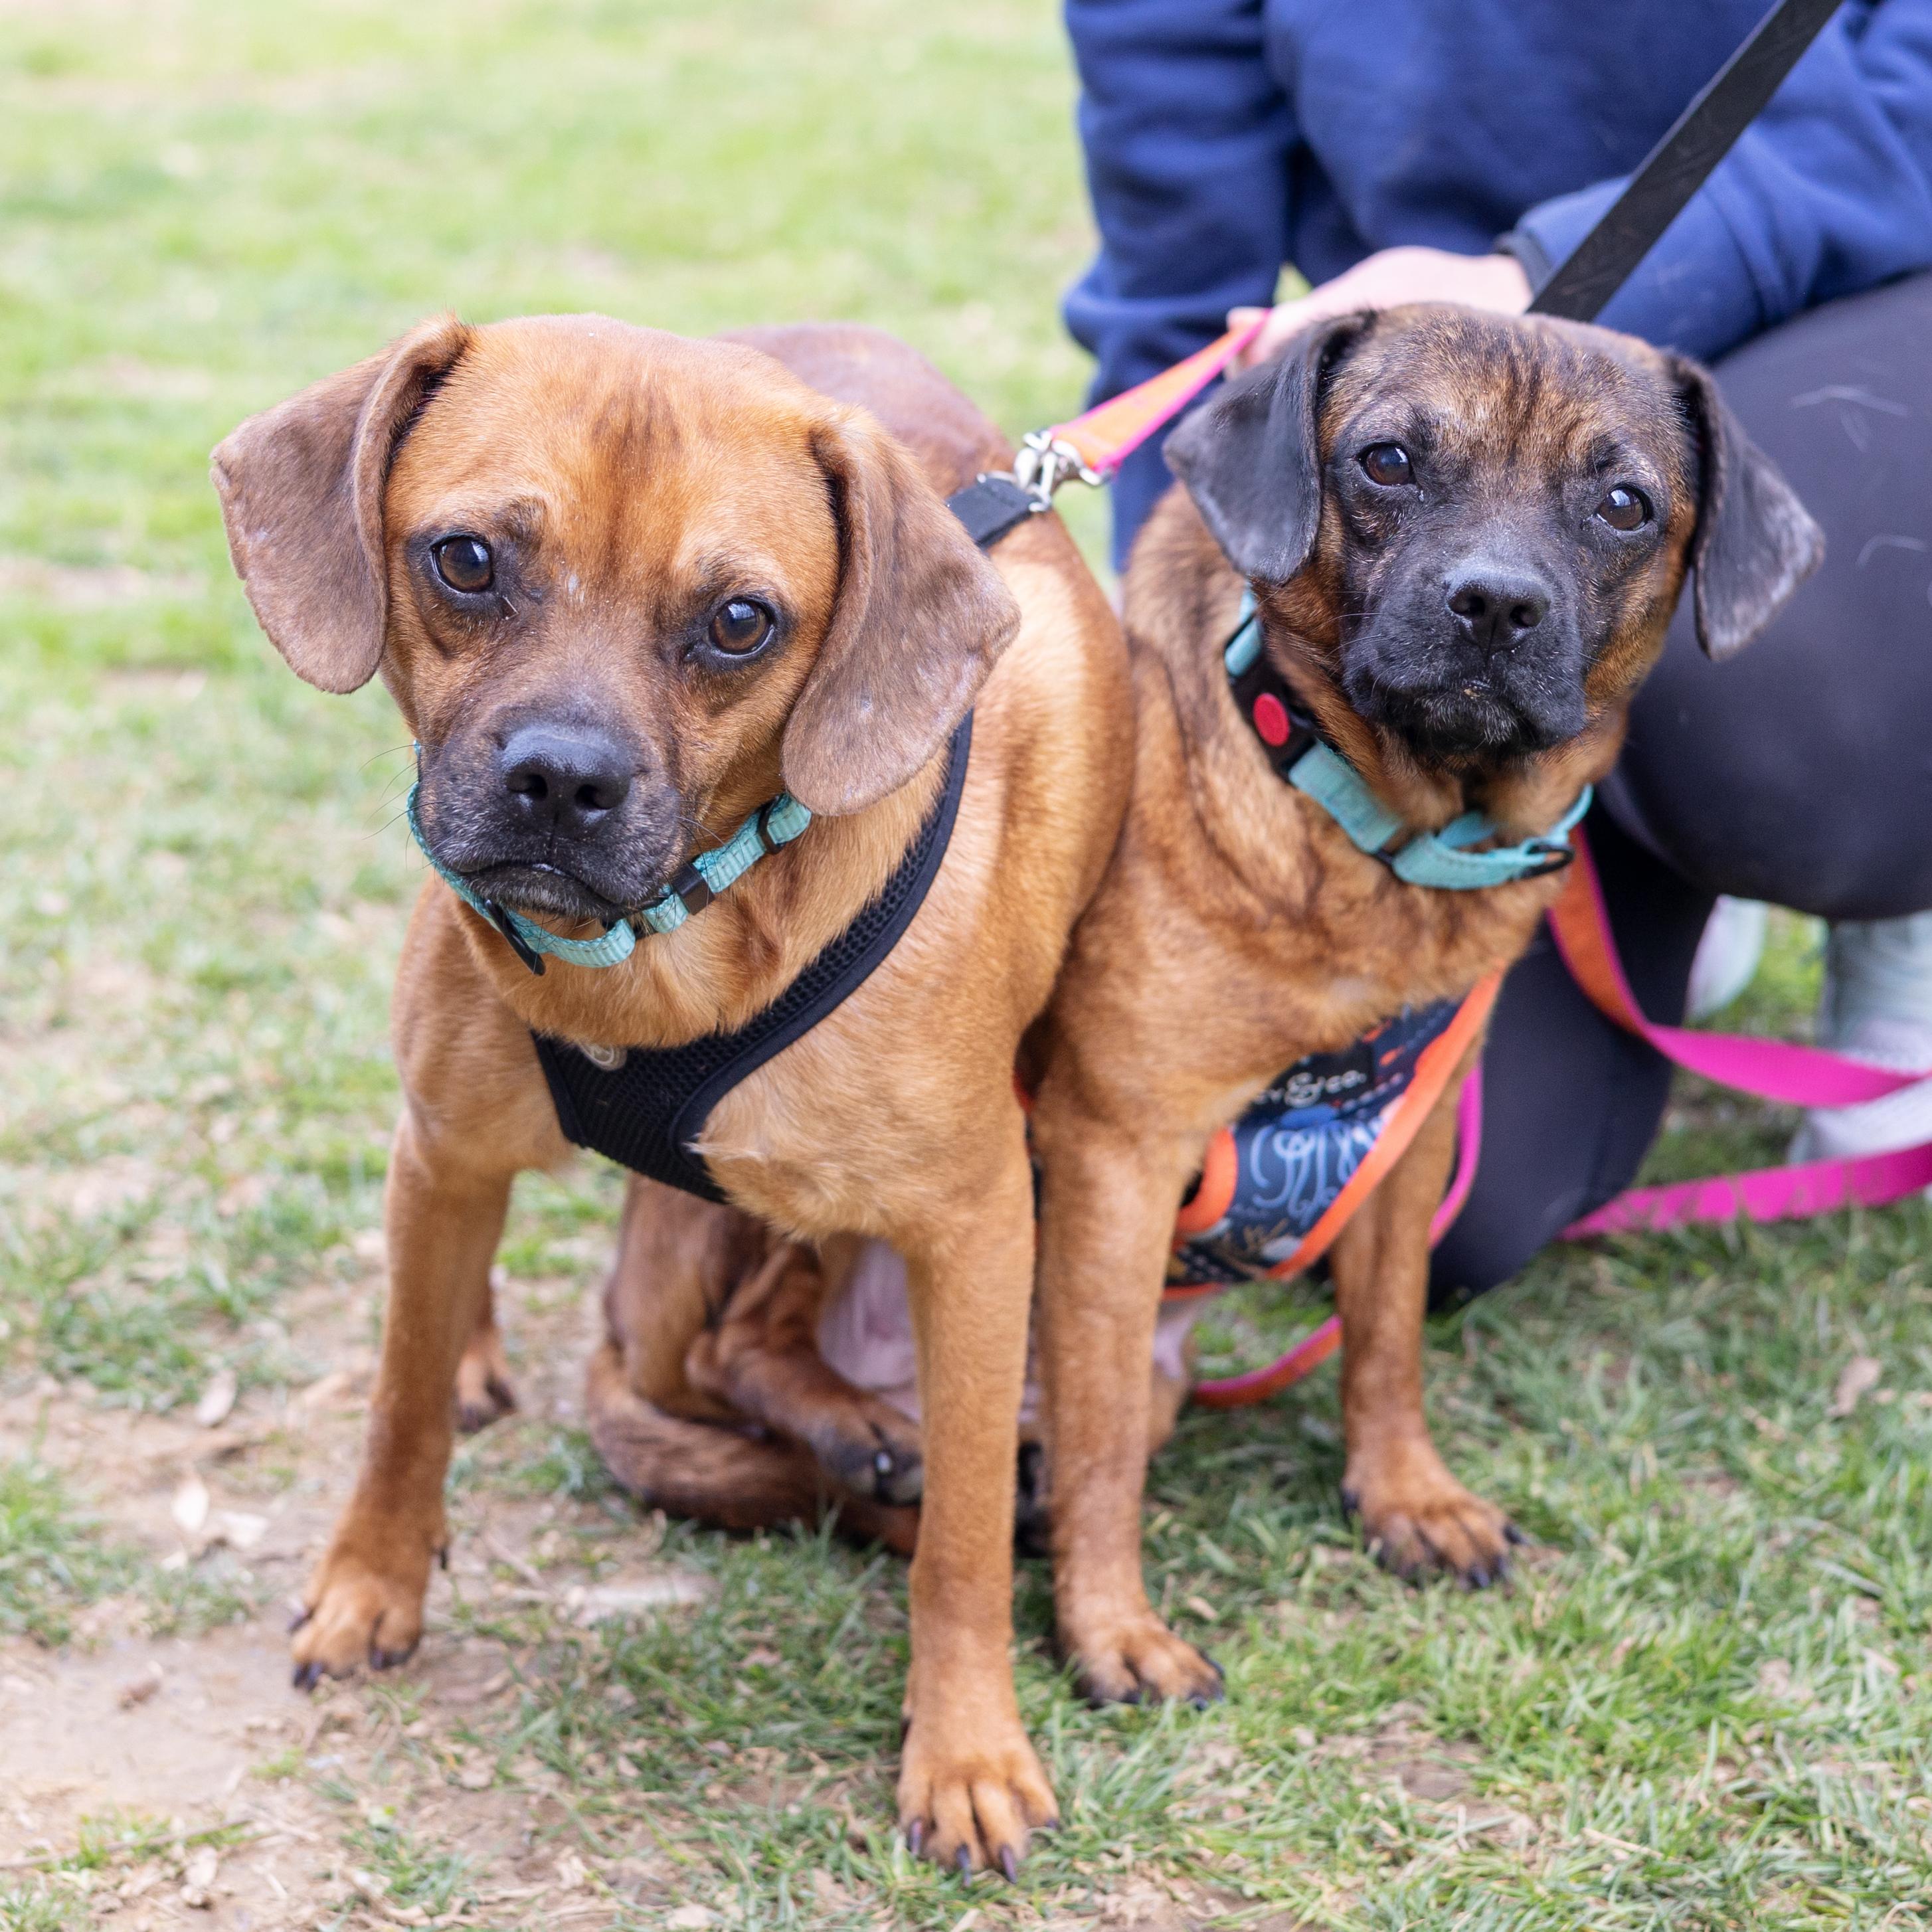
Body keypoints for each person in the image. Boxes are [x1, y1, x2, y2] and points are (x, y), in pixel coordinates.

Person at [1061, 0, 1932, 1295]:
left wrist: (1547, 273)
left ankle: (1880, 885)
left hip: (1871, 282)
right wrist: (1173, 706)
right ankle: (1632, 843)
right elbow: (1179, 298)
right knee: (1433, 1207)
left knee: (1776, 722)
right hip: (1442, 397)